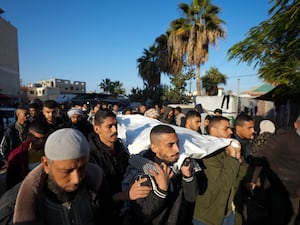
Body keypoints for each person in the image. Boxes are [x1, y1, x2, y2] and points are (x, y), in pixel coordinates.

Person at [0, 128, 114, 225]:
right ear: (46, 164)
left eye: (82, 168)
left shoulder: (98, 187)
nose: (77, 179)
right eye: (66, 171)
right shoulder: (14, 208)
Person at [123, 124, 199, 225]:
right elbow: (141, 216)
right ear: (154, 148)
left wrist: (187, 175)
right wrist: (161, 190)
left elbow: (191, 198)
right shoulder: (144, 173)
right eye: (170, 145)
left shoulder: (178, 164)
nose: (177, 149)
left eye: (177, 143)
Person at [88, 109, 150, 224]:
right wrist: (121, 196)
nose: (115, 130)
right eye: (109, 126)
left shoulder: (121, 148)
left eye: (116, 125)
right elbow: (92, 198)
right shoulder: (90, 157)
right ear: (97, 129)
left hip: (124, 210)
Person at [193, 116, 248, 225]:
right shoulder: (206, 154)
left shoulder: (228, 148)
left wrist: (237, 156)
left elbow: (243, 174)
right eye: (226, 128)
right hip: (209, 215)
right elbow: (225, 183)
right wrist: (233, 157)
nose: (231, 132)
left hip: (230, 211)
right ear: (213, 130)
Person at [252, 115, 300, 225]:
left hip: (297, 192)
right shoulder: (283, 139)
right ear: (296, 125)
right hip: (279, 188)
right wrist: (253, 179)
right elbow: (261, 157)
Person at [5, 118, 49, 189]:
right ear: (30, 135)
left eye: (44, 138)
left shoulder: (51, 151)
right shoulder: (17, 154)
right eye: (37, 139)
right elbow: (11, 181)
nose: (41, 141)